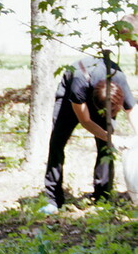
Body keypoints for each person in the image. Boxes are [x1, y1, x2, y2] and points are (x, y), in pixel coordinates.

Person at [42, 14, 138, 214]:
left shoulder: (118, 77)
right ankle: (53, 198)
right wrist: (112, 137)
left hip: (102, 95)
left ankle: (102, 196)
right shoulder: (79, 82)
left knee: (105, 147)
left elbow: (132, 110)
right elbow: (85, 120)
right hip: (70, 98)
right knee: (57, 142)